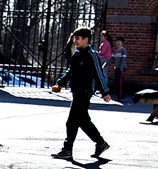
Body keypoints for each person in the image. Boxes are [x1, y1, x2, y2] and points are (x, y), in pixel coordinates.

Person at [50, 27, 112, 160]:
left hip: (84, 93)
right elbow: (70, 71)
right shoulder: (77, 54)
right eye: (74, 38)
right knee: (83, 121)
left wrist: (105, 92)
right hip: (77, 91)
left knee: (72, 122)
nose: (75, 41)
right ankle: (101, 143)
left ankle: (67, 150)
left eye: (77, 38)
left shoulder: (91, 54)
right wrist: (60, 83)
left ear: (86, 40)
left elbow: (99, 74)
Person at [111, 37, 128, 101]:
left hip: (121, 68)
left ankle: (120, 97)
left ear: (122, 43)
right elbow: (112, 59)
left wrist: (121, 68)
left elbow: (123, 60)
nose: (118, 43)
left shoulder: (123, 50)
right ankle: (120, 96)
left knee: (119, 83)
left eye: (119, 42)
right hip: (116, 68)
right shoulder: (115, 51)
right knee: (116, 82)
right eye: (117, 42)